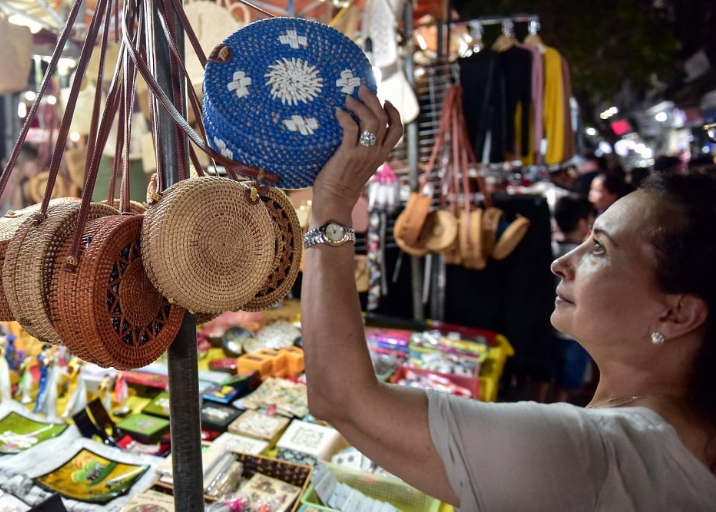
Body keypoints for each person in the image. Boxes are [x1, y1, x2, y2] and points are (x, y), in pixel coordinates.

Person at [302, 86, 716, 510]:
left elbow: (342, 398)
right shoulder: (686, 434)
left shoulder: (593, 454)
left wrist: (332, 202)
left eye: (599, 249)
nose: (562, 263)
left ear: (677, 312)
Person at [542, 196, 595, 404]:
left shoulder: (548, 250)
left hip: (548, 327)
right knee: (565, 385)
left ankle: (540, 407)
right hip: (573, 334)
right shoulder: (586, 259)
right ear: (582, 223)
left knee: (546, 374)